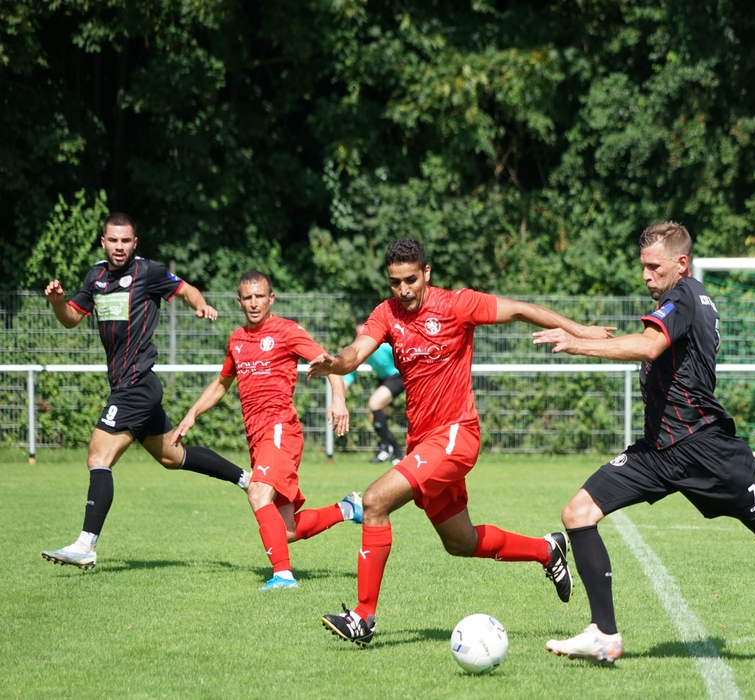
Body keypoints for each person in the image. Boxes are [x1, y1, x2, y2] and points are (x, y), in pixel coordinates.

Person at [533, 221, 755, 663]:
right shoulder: (680, 300)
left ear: (681, 264)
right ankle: (604, 634)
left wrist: (577, 344)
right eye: (642, 266)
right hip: (659, 450)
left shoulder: (684, 295)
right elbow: (649, 341)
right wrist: (590, 334)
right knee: (578, 512)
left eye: (654, 267)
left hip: (706, 449)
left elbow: (649, 347)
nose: (645, 275)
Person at [308, 237, 615, 647]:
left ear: (427, 273)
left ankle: (363, 617)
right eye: (395, 282)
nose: (404, 290)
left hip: (456, 435)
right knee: (461, 542)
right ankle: (547, 550)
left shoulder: (457, 305)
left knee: (375, 501)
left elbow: (520, 308)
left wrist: (580, 331)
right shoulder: (387, 313)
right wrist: (336, 363)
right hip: (423, 444)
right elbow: (355, 352)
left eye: (411, 280)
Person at [41, 212, 251, 571]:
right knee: (172, 456)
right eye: (113, 240)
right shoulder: (96, 276)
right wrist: (58, 302)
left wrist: (200, 304)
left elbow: (185, 289)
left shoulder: (148, 272)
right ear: (103, 242)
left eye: (126, 240)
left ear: (134, 243)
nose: (119, 246)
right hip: (130, 385)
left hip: (136, 384)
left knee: (98, 455)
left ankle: (85, 545)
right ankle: (247, 479)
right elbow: (72, 318)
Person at [173, 270, 364, 590]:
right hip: (257, 437)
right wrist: (192, 413)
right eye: (247, 298)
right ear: (239, 301)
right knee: (285, 529)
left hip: (280, 430)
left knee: (257, 492)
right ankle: (348, 508)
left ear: (271, 298)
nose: (254, 303)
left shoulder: (287, 331)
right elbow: (222, 383)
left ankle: (283, 576)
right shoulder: (236, 339)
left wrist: (339, 400)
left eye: (259, 296)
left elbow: (330, 363)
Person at [343, 322, 405, 465]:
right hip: (383, 380)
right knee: (375, 418)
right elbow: (351, 373)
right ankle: (398, 454)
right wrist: (340, 395)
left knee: (374, 402)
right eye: (358, 335)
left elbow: (402, 355)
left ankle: (385, 447)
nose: (361, 337)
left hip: (397, 377)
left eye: (364, 333)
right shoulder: (361, 351)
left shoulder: (384, 346)